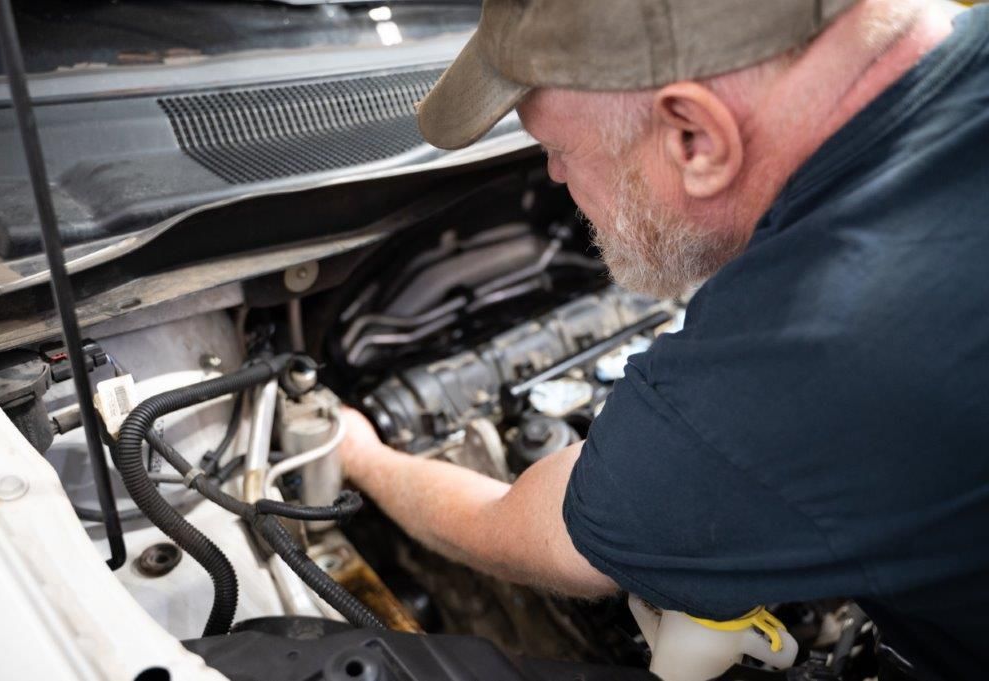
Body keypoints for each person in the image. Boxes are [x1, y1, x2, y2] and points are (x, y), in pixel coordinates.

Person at [338, 1, 989, 678]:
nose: (554, 176)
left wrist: (362, 456)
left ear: (694, 139)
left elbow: (528, 530)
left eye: (556, 150)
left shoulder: (820, 345)